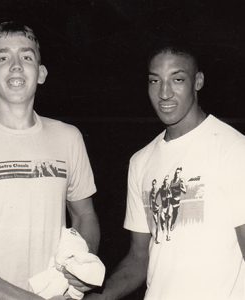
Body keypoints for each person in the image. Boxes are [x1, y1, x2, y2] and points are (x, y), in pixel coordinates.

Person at [0, 21, 100, 300]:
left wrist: (81, 267)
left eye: (26, 56)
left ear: (40, 73)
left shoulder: (69, 138)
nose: (16, 66)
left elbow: (84, 214)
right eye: (2, 57)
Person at [85, 43, 245, 300]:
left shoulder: (234, 149)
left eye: (178, 79)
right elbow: (139, 257)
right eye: (154, 81)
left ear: (198, 81)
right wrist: (99, 297)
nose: (164, 93)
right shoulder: (141, 161)